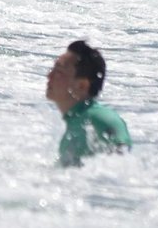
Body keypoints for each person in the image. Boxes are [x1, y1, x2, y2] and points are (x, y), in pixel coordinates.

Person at [45, 39, 132, 167]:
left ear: (81, 85)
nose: (49, 76)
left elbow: (122, 157)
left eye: (59, 71)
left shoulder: (101, 117)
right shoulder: (74, 125)